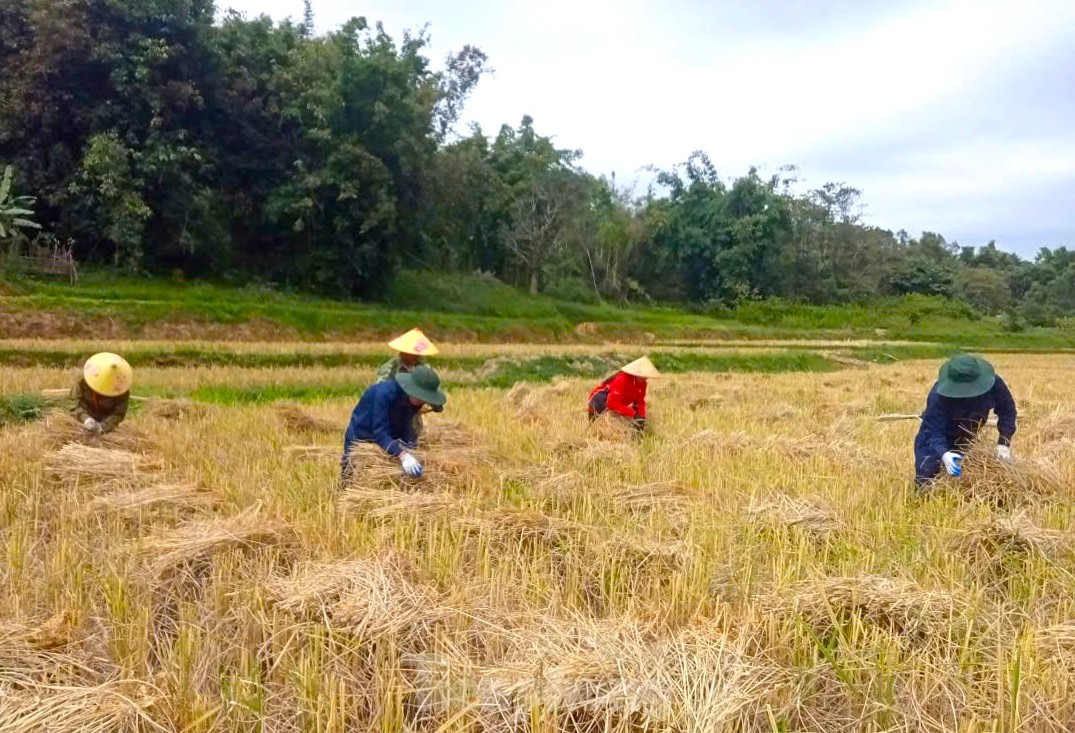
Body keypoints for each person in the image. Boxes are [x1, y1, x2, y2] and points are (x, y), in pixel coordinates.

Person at [914, 354, 1017, 489]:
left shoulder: (994, 384)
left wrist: (1004, 443)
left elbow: (1007, 411)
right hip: (934, 442)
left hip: (967, 438)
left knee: (963, 483)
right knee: (927, 482)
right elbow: (933, 430)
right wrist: (944, 453)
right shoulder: (938, 396)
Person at [340, 365, 447, 482]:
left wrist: (408, 448)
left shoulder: (414, 400)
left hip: (391, 434)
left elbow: (406, 423)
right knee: (351, 474)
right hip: (362, 437)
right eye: (421, 397)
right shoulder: (383, 394)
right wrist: (403, 455)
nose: (422, 402)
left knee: (395, 477)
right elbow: (380, 433)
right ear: (411, 389)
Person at [377, 328, 443, 436]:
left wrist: (435, 404)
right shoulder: (390, 369)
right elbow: (380, 391)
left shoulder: (424, 369)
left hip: (413, 422)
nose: (417, 356)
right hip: (392, 418)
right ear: (403, 352)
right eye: (413, 353)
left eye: (418, 353)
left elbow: (433, 391)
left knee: (412, 442)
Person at [587, 356, 660, 432]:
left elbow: (640, 401)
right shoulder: (622, 379)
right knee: (599, 432)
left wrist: (641, 416)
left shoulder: (642, 384)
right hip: (598, 404)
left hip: (615, 404)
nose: (646, 378)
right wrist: (634, 415)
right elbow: (612, 403)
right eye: (644, 375)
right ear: (636, 373)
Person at [71, 352, 133, 435]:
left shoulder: (121, 389)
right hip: (83, 419)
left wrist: (103, 427)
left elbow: (119, 413)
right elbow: (73, 404)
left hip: (107, 423)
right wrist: (86, 419)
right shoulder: (83, 383)